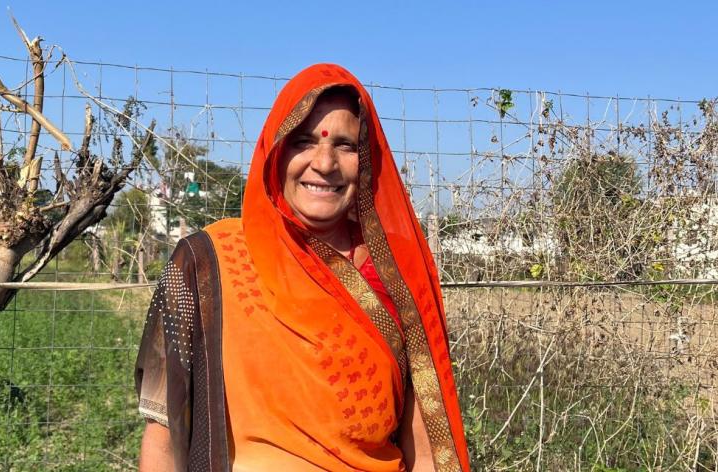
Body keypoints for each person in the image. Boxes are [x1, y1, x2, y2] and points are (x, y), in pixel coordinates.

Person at [135, 64, 470, 471]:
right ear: (276, 150)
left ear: (366, 159)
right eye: (304, 141)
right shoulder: (207, 263)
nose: (324, 163)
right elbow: (163, 438)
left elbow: (426, 449)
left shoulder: (396, 274)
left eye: (345, 145)